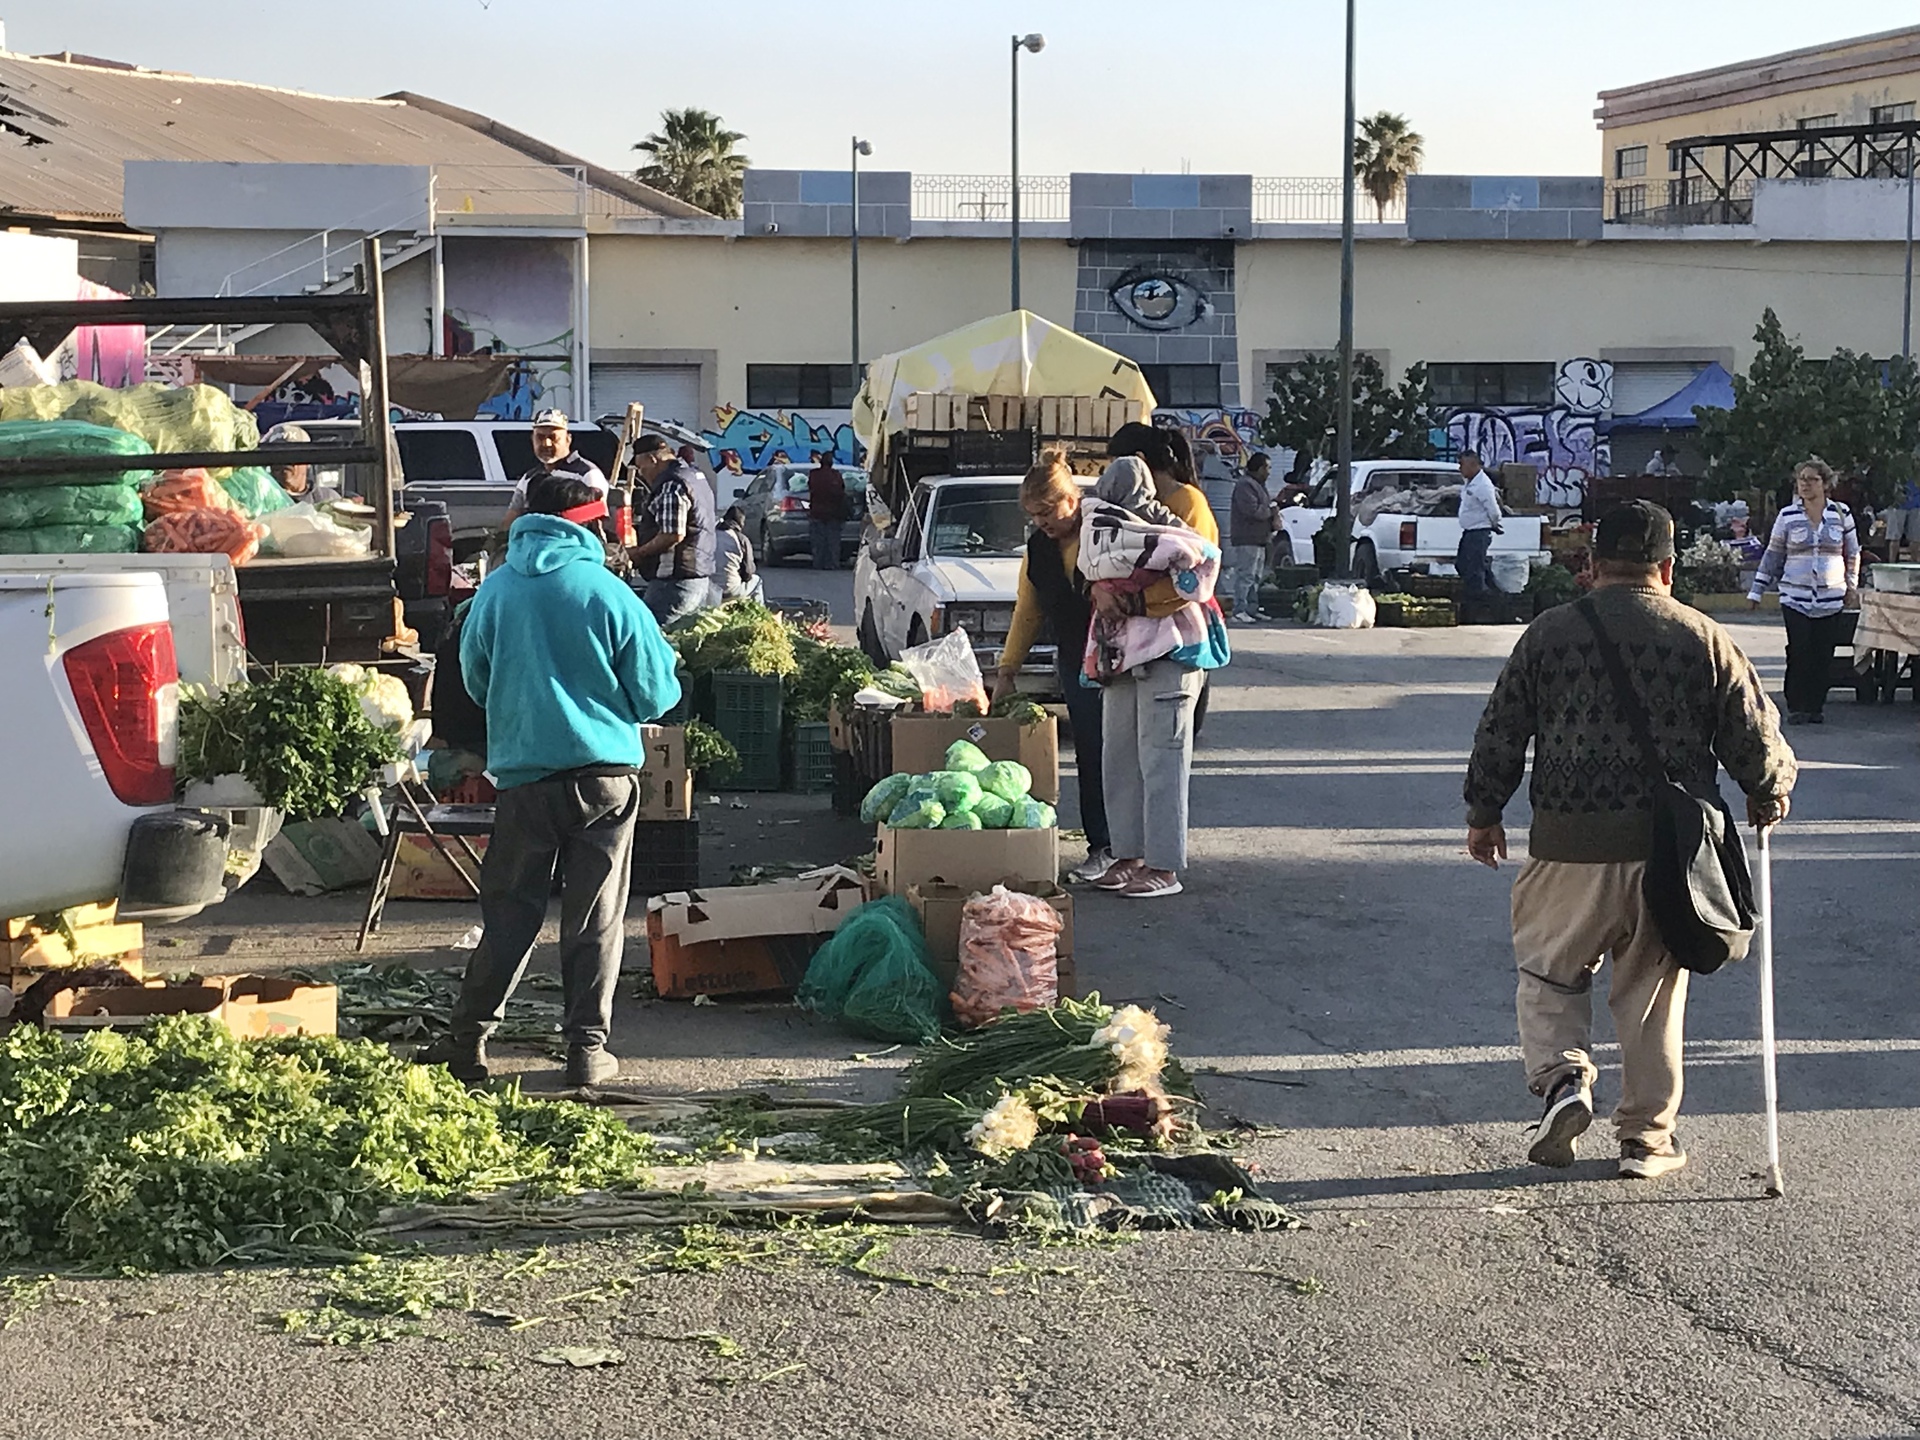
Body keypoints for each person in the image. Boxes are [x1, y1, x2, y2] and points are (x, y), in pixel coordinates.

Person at [1464, 500, 1796, 1179]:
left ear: (1591, 564)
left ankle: (1563, 1082)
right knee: (1650, 993)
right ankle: (1646, 1140)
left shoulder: (1549, 634)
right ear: (1668, 566)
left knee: (1550, 974)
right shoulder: (1702, 636)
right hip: (1668, 853)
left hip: (1566, 844)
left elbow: (1501, 727)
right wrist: (1770, 789)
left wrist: (1485, 812)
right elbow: (1753, 735)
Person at [423, 471, 681, 1087]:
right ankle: (586, 1053)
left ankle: (468, 1045)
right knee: (593, 917)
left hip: (523, 780)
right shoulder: (609, 592)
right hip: (604, 780)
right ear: (589, 523)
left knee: (509, 914)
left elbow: (475, 681)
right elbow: (656, 696)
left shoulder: (496, 590)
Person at [1086, 426, 1222, 900]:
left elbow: (1195, 577)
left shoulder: (1187, 505)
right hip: (1120, 650)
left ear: (1140, 462)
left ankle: (1164, 866)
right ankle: (1128, 854)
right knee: (1118, 754)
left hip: (1170, 647)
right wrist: (1097, 589)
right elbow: (1093, 562)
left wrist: (1134, 601)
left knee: (1162, 758)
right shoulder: (1109, 514)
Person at [994, 455, 1113, 884]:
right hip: (1074, 658)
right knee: (1090, 750)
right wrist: (1007, 671)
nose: (1041, 523)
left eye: (1047, 512)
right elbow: (1028, 609)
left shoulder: (1105, 532)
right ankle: (1101, 845)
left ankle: (1133, 849)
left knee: (1121, 753)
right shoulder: (1039, 548)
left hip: (1120, 657)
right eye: (1033, 515)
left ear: (1071, 499)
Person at [1748, 457, 1861, 725]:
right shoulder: (1787, 515)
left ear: (1825, 484)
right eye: (1802, 479)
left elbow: (1853, 552)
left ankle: (1815, 705)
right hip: (1795, 597)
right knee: (1800, 650)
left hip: (1831, 597)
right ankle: (1797, 705)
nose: (1806, 485)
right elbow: (1773, 553)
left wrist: (1851, 585)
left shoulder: (1841, 514)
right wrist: (1757, 590)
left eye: (1812, 479)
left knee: (1823, 653)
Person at [628, 433, 718, 628]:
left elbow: (672, 534)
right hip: (699, 576)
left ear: (652, 460)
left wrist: (638, 553)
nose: (641, 474)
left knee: (656, 636)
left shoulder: (671, 484)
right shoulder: (694, 476)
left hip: (674, 582)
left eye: (641, 468)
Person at [502, 409, 608, 527]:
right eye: (540, 437)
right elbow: (512, 516)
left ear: (568, 439)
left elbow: (596, 516)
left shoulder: (588, 473)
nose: (546, 444)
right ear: (532, 439)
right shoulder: (528, 478)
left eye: (553, 437)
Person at [1227, 453, 1277, 623]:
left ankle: (1252, 608)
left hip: (1260, 538)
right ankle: (1239, 609)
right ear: (1259, 467)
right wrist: (1272, 511)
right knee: (1245, 575)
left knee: (1256, 576)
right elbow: (1253, 511)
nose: (1269, 472)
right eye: (1267, 467)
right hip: (1247, 538)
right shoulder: (1245, 485)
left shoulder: (1258, 485)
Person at [1454, 450, 1502, 607]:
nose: (1460, 468)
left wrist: (1495, 524)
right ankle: (1491, 589)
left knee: (1474, 568)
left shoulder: (1483, 485)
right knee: (1462, 564)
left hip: (1479, 531)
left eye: (1462, 464)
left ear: (1473, 465)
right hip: (1469, 531)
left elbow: (1493, 509)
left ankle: (1480, 599)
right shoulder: (1470, 482)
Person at [712, 504, 764, 604]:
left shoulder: (711, 535)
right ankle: (760, 616)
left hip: (710, 589)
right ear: (741, 523)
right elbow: (748, 573)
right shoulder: (741, 539)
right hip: (730, 590)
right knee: (757, 581)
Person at [806, 451, 849, 570]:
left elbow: (811, 489)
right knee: (833, 541)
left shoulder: (814, 474)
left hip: (817, 512)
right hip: (834, 513)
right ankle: (832, 563)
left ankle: (818, 563)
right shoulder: (836, 475)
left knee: (818, 541)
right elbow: (841, 491)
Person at [1884, 477, 1920, 563]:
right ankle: (1891, 563)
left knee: (1916, 538)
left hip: (1917, 503)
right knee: (1895, 537)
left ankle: (1915, 564)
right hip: (1897, 504)